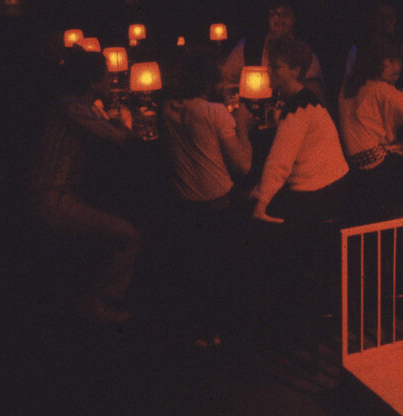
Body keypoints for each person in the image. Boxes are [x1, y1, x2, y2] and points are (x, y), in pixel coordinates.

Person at [29, 47, 142, 324]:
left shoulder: (77, 106)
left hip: (61, 195)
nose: (110, 82)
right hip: (51, 199)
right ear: (92, 82)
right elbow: (117, 139)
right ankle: (96, 302)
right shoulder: (71, 107)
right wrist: (125, 129)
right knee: (130, 236)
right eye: (106, 77)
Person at [249, 36, 350, 326]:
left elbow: (278, 164)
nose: (270, 74)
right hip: (333, 185)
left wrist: (261, 203)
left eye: (276, 69)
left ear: (294, 71)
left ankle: (285, 313)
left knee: (264, 237)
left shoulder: (297, 112)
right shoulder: (308, 100)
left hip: (321, 192)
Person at [158, 47, 253, 345]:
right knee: (224, 267)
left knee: (196, 271)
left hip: (184, 206)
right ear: (210, 82)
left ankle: (199, 332)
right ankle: (232, 327)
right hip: (217, 206)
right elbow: (243, 165)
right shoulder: (214, 112)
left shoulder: (167, 109)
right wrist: (243, 127)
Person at [338, 34, 403, 219]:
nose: (398, 68)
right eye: (392, 61)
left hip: (354, 171)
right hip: (376, 170)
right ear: (376, 60)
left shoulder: (348, 84)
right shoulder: (380, 89)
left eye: (399, 62)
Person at [221, 0, 325, 103]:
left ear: (294, 18)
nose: (278, 18)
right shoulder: (247, 46)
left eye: (285, 13)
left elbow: (315, 95)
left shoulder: (305, 53)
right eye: (274, 13)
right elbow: (226, 80)